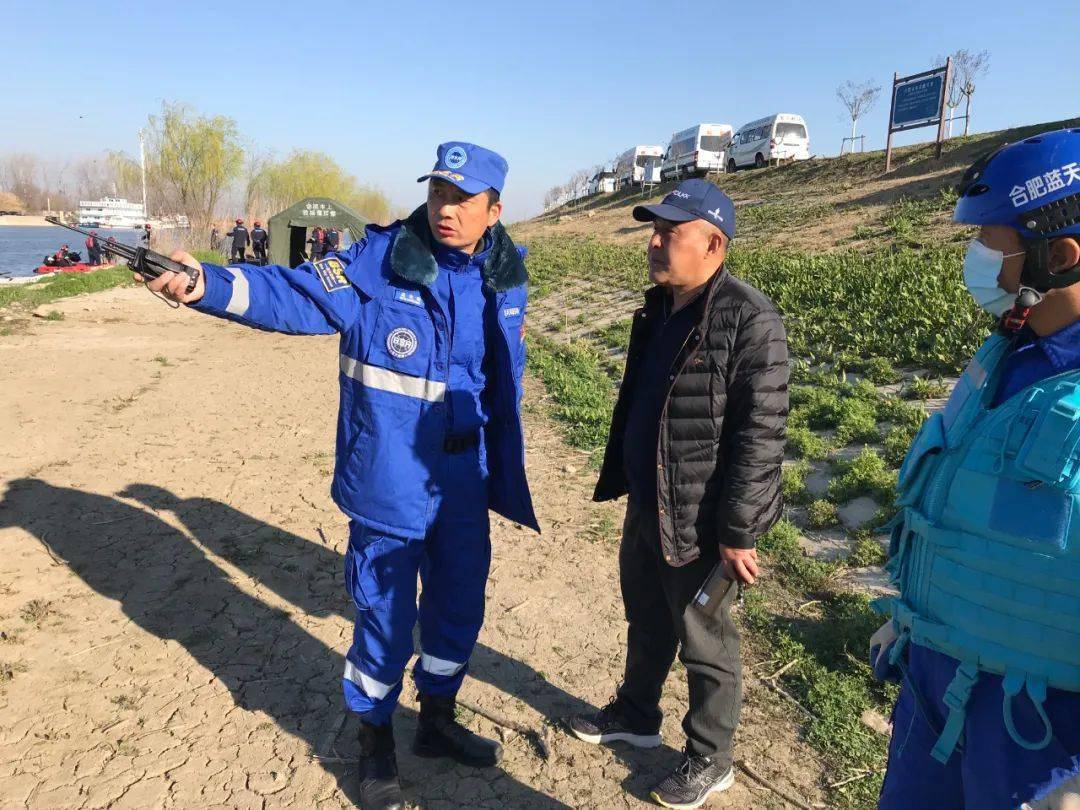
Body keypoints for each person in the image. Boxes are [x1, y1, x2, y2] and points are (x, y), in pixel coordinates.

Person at [133, 142, 536, 810]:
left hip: (463, 478)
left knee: (459, 604)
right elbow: (290, 294)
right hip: (389, 480)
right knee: (383, 615)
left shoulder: (508, 275)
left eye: (463, 199)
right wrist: (204, 284)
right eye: (438, 192)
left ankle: (437, 718)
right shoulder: (378, 261)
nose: (446, 209)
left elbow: (500, 378)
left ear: (494, 210)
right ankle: (375, 735)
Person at [871, 129, 1080, 809]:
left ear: (1060, 253)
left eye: (992, 239)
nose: (976, 257)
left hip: (1037, 738)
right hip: (935, 679)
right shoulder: (1007, 355)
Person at [569, 179, 789, 809]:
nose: (655, 242)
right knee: (645, 613)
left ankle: (709, 757)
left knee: (705, 640)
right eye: (654, 230)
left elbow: (761, 433)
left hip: (703, 516)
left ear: (713, 242)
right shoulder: (661, 307)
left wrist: (738, 531)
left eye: (670, 232)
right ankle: (637, 716)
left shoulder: (750, 320)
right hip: (651, 501)